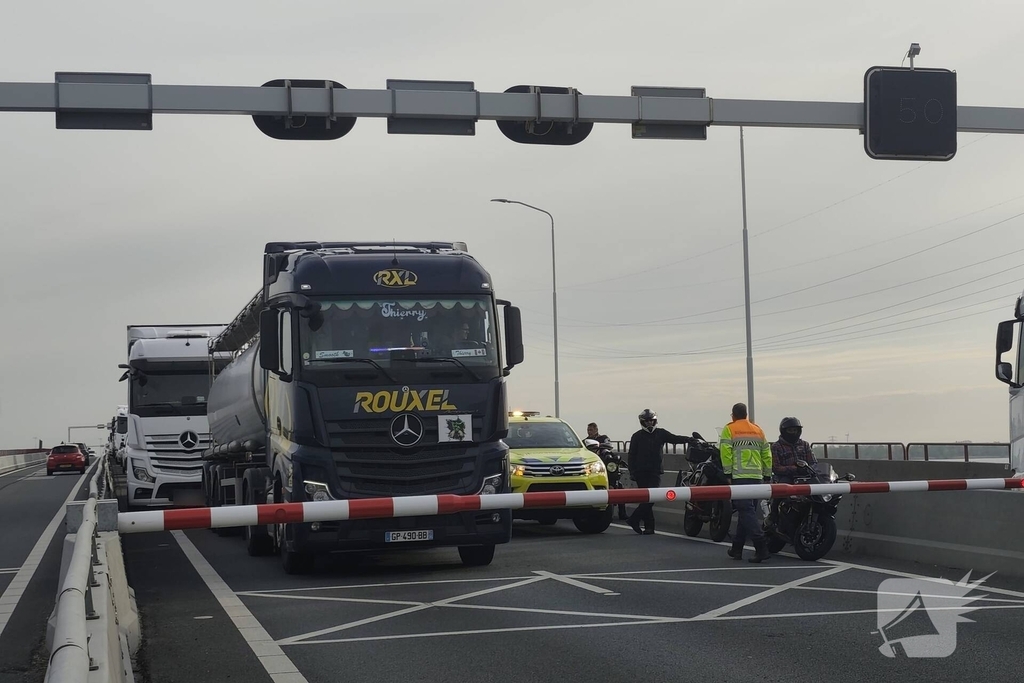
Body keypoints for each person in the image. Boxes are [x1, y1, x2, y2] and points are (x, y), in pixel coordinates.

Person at [625, 409, 694, 535]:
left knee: (652, 498)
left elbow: (675, 438)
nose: (650, 423)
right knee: (646, 499)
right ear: (642, 422)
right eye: (647, 421)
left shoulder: (661, 433)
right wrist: (632, 471)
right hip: (640, 472)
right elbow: (631, 455)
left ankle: (634, 519)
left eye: (651, 420)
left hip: (655, 471)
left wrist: (689, 439)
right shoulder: (637, 436)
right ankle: (649, 527)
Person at [719, 403, 772, 562]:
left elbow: (725, 453)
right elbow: (766, 453)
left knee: (746, 512)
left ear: (733, 415)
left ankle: (761, 547)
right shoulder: (758, 430)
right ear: (746, 414)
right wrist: (767, 475)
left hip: (739, 476)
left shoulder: (729, 429)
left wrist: (727, 474)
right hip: (756, 477)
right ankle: (737, 548)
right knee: (746, 512)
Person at [766, 417, 817, 528]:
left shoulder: (805, 445)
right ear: (783, 431)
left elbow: (813, 462)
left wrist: (809, 469)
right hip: (785, 477)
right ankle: (773, 514)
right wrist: (794, 469)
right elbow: (776, 467)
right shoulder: (776, 446)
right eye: (790, 430)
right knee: (780, 490)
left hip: (804, 477)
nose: (793, 432)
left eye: (795, 430)